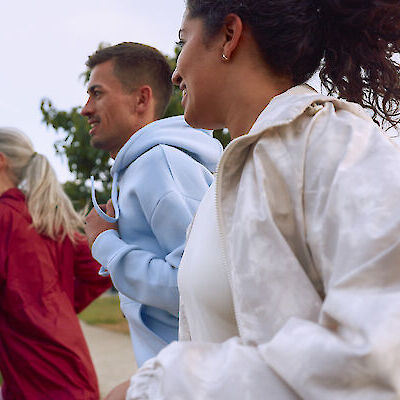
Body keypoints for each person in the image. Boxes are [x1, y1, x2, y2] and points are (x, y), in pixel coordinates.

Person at [122, 1, 400, 399]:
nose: (176, 71)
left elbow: (377, 359)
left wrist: (164, 382)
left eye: (182, 42)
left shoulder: (340, 147)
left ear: (230, 36)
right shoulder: (225, 180)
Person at [81, 42, 222, 396]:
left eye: (97, 94)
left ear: (141, 100)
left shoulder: (159, 163)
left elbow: (195, 288)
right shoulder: (140, 168)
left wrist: (105, 244)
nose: (85, 109)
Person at [0, 128, 111, 400]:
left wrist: (48, 306)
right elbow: (102, 264)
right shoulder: (45, 220)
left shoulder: (7, 218)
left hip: (39, 384)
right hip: (72, 374)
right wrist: (55, 307)